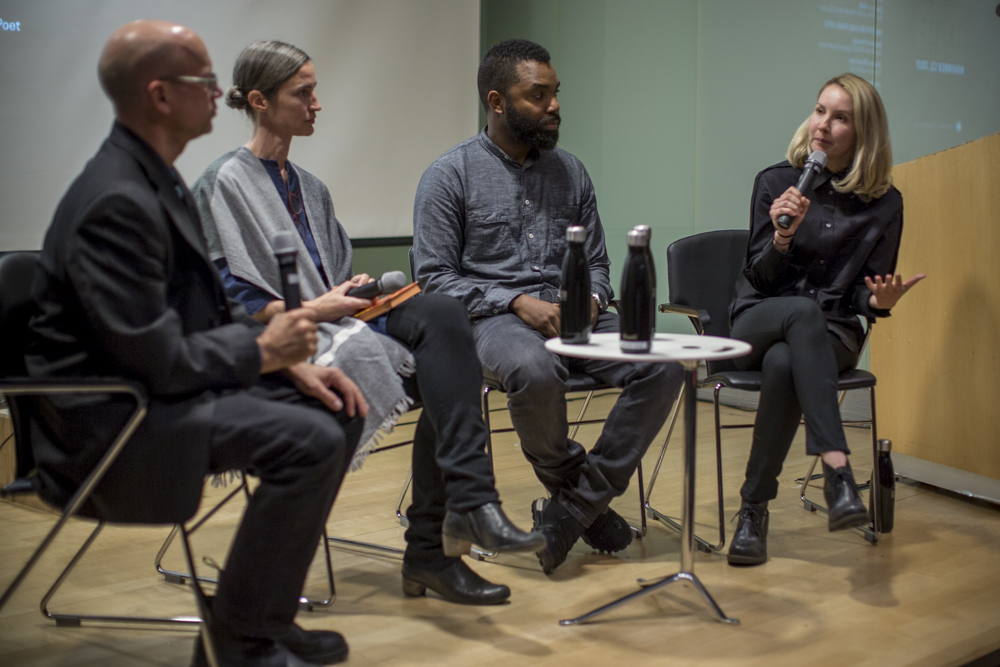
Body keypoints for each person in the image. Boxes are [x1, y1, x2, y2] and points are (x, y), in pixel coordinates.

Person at [25, 21, 368, 667]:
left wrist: (293, 366)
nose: (221, 93)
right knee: (312, 440)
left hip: (152, 391)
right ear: (159, 96)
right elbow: (151, 354)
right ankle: (242, 642)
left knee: (335, 408)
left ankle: (252, 617)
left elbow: (196, 321)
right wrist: (266, 352)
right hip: (109, 422)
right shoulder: (117, 199)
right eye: (205, 82)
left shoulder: (155, 179)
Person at [192, 40, 544, 606]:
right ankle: (440, 541)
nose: (316, 104)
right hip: (279, 344)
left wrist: (350, 292)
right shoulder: (222, 183)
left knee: (441, 310)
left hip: (337, 322)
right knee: (446, 373)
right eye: (302, 93)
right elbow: (224, 298)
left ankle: (468, 509)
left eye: (315, 90)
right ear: (259, 101)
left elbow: (330, 271)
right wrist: (314, 309)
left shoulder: (311, 187)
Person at [412, 39, 683, 575]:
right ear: (496, 102)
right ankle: (582, 501)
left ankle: (570, 509)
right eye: (538, 95)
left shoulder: (572, 172)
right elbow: (434, 279)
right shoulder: (449, 176)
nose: (554, 105)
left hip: (577, 318)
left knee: (666, 365)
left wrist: (595, 299)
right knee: (535, 368)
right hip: (492, 322)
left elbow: (600, 264)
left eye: (555, 93)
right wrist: (516, 301)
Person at [726, 73, 925, 566]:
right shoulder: (777, 182)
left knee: (783, 364)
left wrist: (879, 301)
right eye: (820, 111)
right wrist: (781, 236)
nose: (823, 125)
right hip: (758, 317)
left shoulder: (886, 204)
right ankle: (837, 470)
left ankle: (753, 511)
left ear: (864, 133)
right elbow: (761, 278)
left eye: (840, 117)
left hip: (830, 332)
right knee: (796, 313)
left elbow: (864, 291)